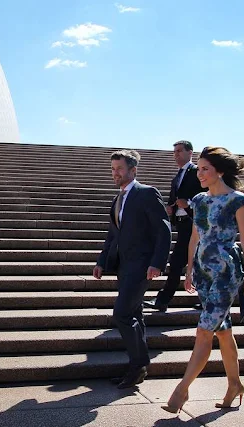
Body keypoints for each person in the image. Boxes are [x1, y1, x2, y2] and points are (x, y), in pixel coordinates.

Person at [162, 146, 244, 414]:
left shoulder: (238, 201)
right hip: (204, 270)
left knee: (205, 330)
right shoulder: (199, 200)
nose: (200, 173)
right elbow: (194, 238)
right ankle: (235, 385)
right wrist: (189, 270)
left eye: (205, 169)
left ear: (220, 171)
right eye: (199, 168)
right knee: (223, 331)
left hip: (227, 271)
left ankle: (181, 390)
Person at [93, 150, 172, 389]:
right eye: (112, 169)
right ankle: (138, 367)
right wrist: (101, 261)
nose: (115, 173)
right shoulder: (117, 199)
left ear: (133, 170)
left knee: (122, 314)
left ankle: (139, 364)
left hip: (141, 267)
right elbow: (112, 235)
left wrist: (158, 263)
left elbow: (163, 230)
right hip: (124, 266)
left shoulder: (146, 193)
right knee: (134, 314)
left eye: (119, 169)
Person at [144, 141, 204, 312]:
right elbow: (176, 198)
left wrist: (189, 204)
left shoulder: (197, 172)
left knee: (178, 262)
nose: (176, 154)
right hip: (183, 224)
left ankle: (163, 299)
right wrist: (171, 207)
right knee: (194, 262)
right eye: (174, 151)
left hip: (195, 224)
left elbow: (205, 194)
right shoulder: (178, 175)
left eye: (179, 151)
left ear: (190, 152)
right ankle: (207, 299)